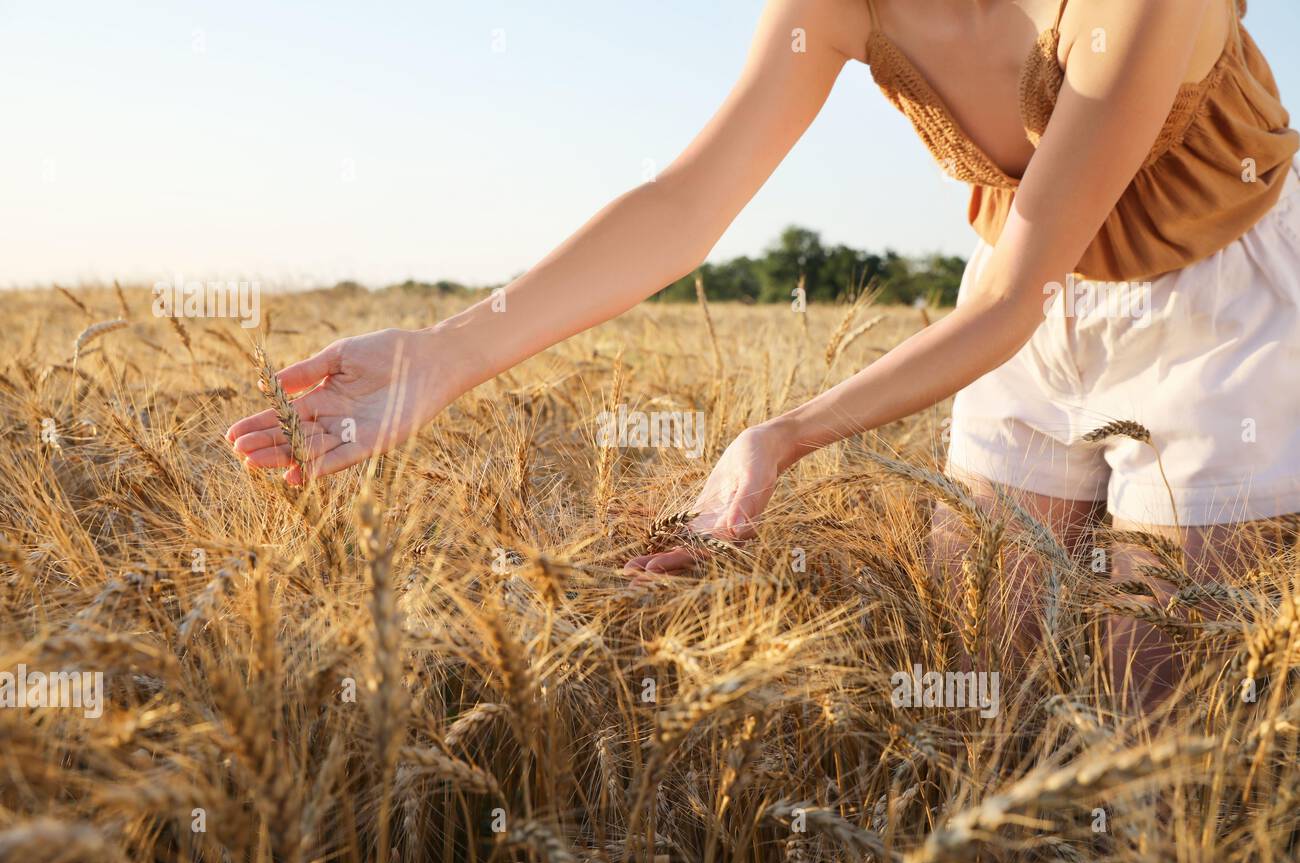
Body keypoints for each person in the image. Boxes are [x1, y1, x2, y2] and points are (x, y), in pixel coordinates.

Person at [227, 0, 1299, 708]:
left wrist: (778, 437)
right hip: (1014, 301)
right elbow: (685, 203)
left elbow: (1019, 295)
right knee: (981, 689)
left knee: (1160, 705)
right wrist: (444, 350)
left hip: (1215, 308)